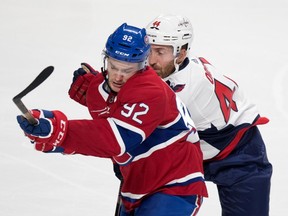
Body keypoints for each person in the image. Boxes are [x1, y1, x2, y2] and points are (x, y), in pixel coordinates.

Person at [17, 23, 208, 216]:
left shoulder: (151, 91)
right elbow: (101, 137)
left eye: (127, 69)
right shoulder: (98, 89)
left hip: (175, 184)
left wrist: (60, 131)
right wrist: (55, 140)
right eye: (114, 66)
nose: (118, 76)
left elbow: (116, 138)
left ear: (142, 65)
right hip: (135, 185)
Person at [145, 14, 273, 216]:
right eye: (149, 50)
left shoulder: (184, 91)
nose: (151, 60)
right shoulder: (182, 67)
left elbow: (133, 126)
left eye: (160, 52)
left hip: (240, 155)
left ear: (181, 53)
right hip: (195, 150)